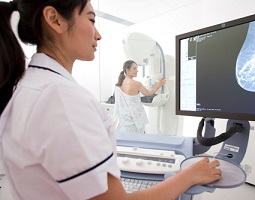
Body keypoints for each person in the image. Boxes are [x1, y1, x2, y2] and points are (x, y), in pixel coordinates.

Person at [0, 0, 222, 200]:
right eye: (91, 20)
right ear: (54, 19)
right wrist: (187, 177)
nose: (98, 35)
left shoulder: (28, 86)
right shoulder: (61, 98)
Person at [114, 60, 166, 134]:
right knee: (137, 141)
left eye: (137, 68)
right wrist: (160, 84)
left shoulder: (119, 84)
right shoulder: (136, 84)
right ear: (127, 70)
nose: (137, 71)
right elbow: (149, 93)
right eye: (134, 69)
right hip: (135, 121)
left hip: (124, 121)